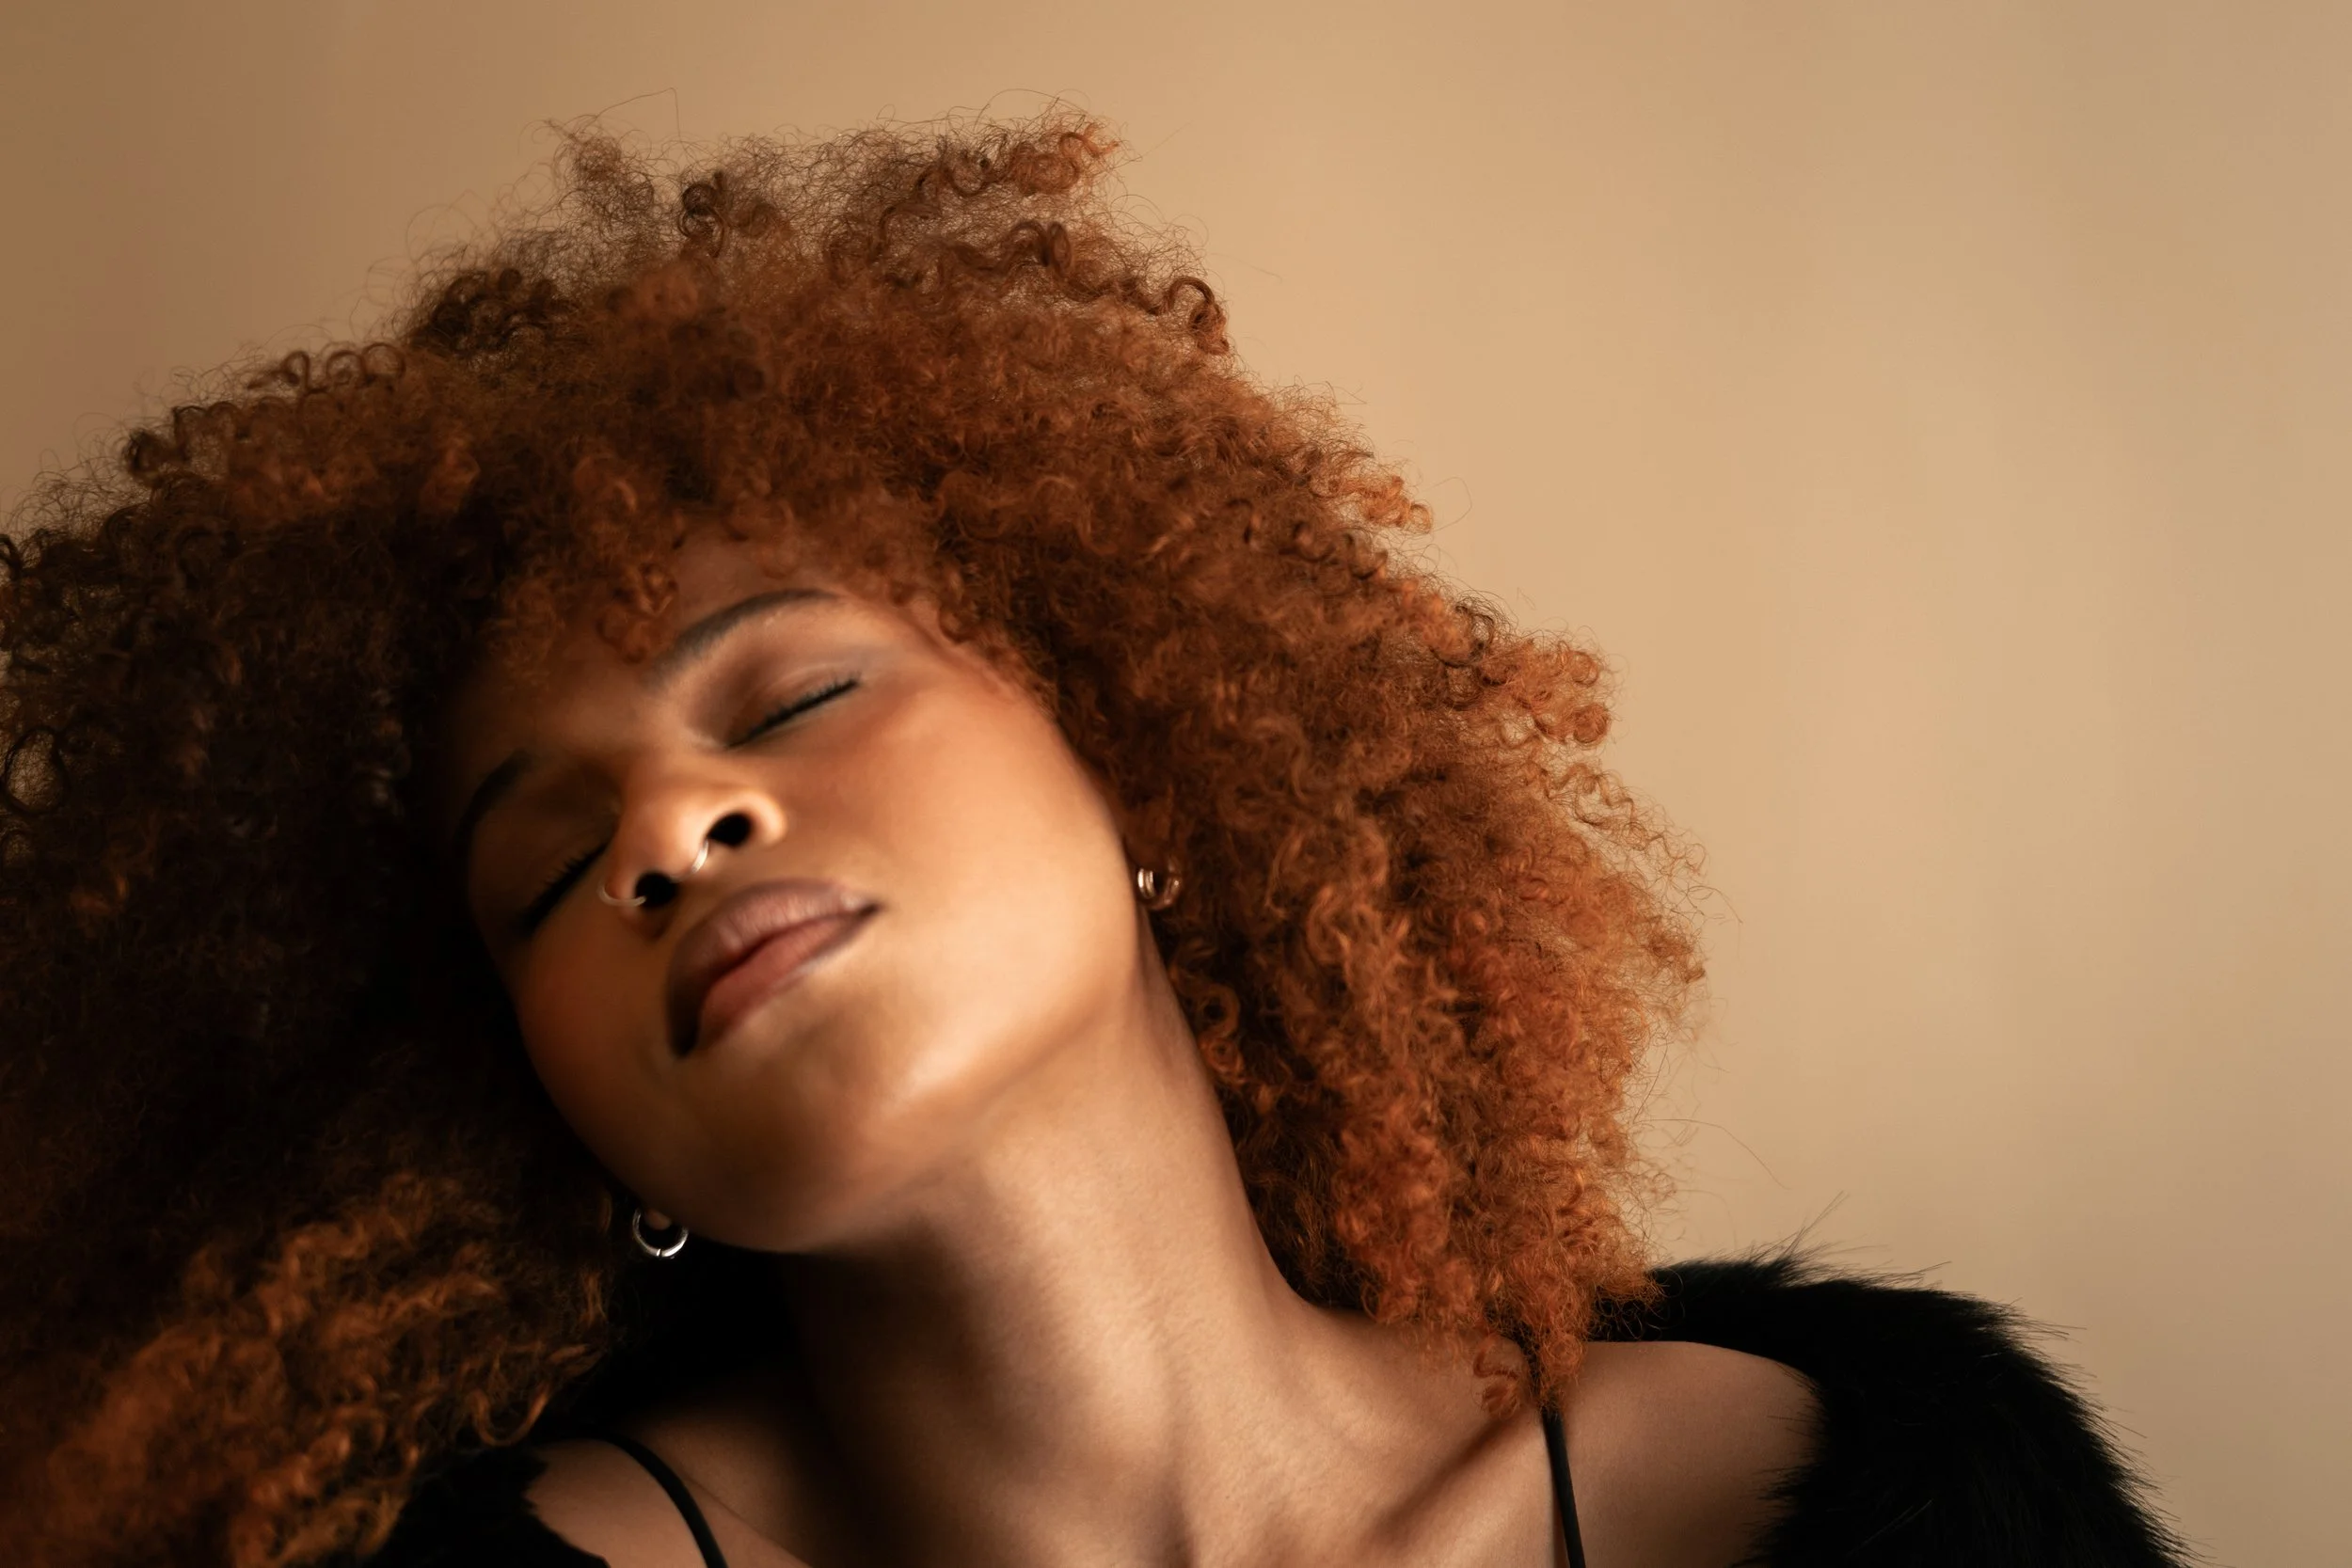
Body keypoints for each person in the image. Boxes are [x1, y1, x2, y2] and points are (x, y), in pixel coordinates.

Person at [0, 117, 2187, 1568]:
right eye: (544, 872)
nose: (665, 822)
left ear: (1141, 762)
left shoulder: (1865, 1484)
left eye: (789, 692)